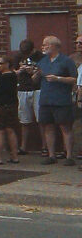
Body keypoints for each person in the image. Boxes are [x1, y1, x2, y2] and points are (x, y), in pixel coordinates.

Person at [32, 35, 76, 165]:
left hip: (61, 100)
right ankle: (51, 155)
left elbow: (74, 79)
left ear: (53, 46)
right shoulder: (43, 61)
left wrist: (58, 78)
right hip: (46, 99)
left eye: (46, 45)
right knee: (48, 127)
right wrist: (34, 74)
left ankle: (69, 156)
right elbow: (37, 77)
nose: (43, 47)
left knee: (65, 127)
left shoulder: (66, 61)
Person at [14, 38, 42, 156]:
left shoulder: (40, 56)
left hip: (37, 89)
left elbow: (44, 71)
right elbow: (13, 70)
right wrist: (19, 71)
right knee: (24, 120)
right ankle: (23, 146)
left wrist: (34, 71)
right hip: (23, 88)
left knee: (41, 120)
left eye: (28, 53)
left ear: (32, 50)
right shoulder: (18, 56)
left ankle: (44, 147)